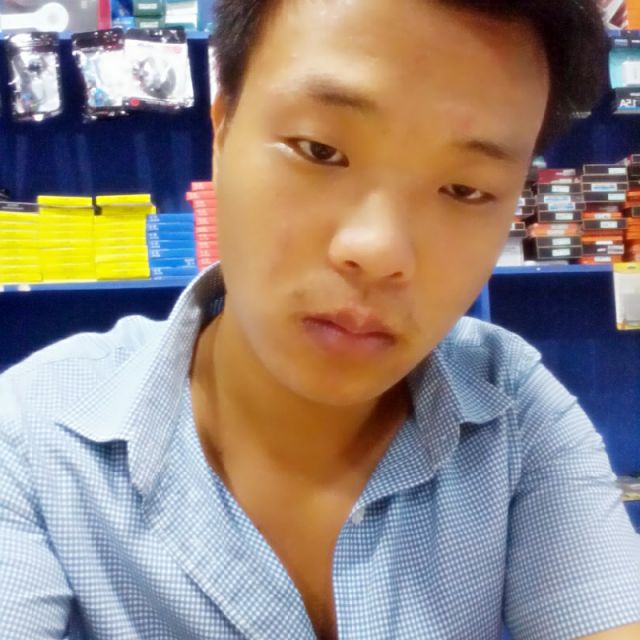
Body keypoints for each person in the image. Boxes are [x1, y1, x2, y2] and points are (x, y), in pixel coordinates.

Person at [1, 0, 639, 638]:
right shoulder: (33, 439)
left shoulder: (512, 411)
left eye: (466, 190)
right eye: (320, 150)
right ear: (222, 129)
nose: (378, 251)